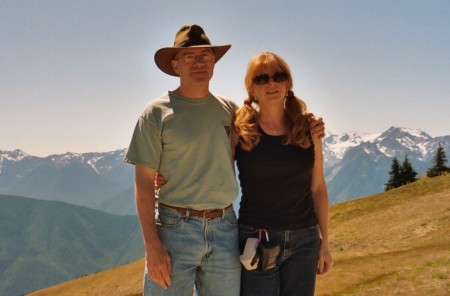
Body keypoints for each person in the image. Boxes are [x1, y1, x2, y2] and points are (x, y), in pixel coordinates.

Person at [123, 24, 241, 296]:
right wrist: (153, 248)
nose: (198, 62)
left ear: (214, 62)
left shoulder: (231, 111)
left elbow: (266, 138)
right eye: (189, 56)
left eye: (205, 55)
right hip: (174, 229)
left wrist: (308, 126)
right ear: (175, 65)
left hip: (225, 227)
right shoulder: (156, 113)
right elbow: (143, 184)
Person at [233, 52, 333, 296]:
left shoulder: (307, 130)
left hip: (305, 240)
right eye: (262, 78)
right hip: (256, 239)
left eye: (279, 76)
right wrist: (165, 177)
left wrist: (325, 243)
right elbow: (214, 172)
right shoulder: (240, 132)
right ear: (251, 89)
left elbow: (318, 187)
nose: (272, 83)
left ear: (288, 84)